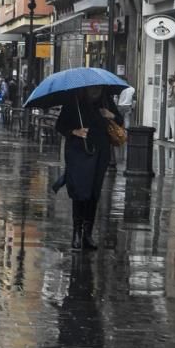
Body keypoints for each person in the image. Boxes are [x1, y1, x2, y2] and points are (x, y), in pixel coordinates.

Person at [56, 86, 123, 251]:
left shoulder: (106, 100)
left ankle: (87, 234)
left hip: (100, 151)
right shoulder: (74, 100)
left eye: (98, 88)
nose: (96, 91)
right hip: (79, 151)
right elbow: (60, 125)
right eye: (93, 88)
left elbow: (119, 121)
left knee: (93, 192)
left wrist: (111, 115)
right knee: (80, 191)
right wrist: (74, 131)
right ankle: (76, 233)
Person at [167, 73, 175, 141]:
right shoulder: (171, 86)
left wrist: (174, 86)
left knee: (172, 122)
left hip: (172, 106)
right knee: (171, 122)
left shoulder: (173, 86)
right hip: (170, 106)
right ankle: (173, 137)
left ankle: (174, 137)